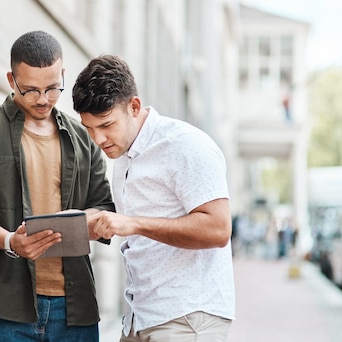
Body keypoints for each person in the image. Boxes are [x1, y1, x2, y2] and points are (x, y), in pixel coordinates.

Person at [0, 30, 114, 342]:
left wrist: (89, 224)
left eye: (53, 88)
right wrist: (11, 241)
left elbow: (103, 205)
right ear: (12, 80)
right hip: (2, 306)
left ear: (63, 74)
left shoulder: (84, 138)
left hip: (75, 309)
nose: (42, 99)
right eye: (31, 90)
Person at [72, 54, 235, 342]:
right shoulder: (123, 153)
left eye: (107, 124)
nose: (98, 139)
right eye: (90, 128)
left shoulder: (185, 145)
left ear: (134, 106)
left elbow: (218, 229)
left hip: (187, 318)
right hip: (139, 318)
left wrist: (133, 224)